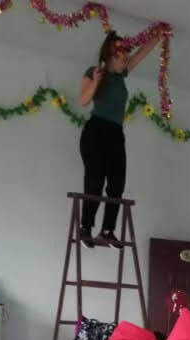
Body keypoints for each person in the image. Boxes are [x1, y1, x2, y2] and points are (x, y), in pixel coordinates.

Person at [78, 30, 160, 248]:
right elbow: (83, 101)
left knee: (117, 182)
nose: (125, 60)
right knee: (95, 181)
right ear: (111, 57)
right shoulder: (94, 72)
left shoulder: (122, 74)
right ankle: (86, 227)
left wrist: (158, 36)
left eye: (125, 57)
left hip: (115, 132)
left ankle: (107, 230)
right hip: (96, 131)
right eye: (122, 57)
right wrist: (95, 82)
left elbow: (141, 54)